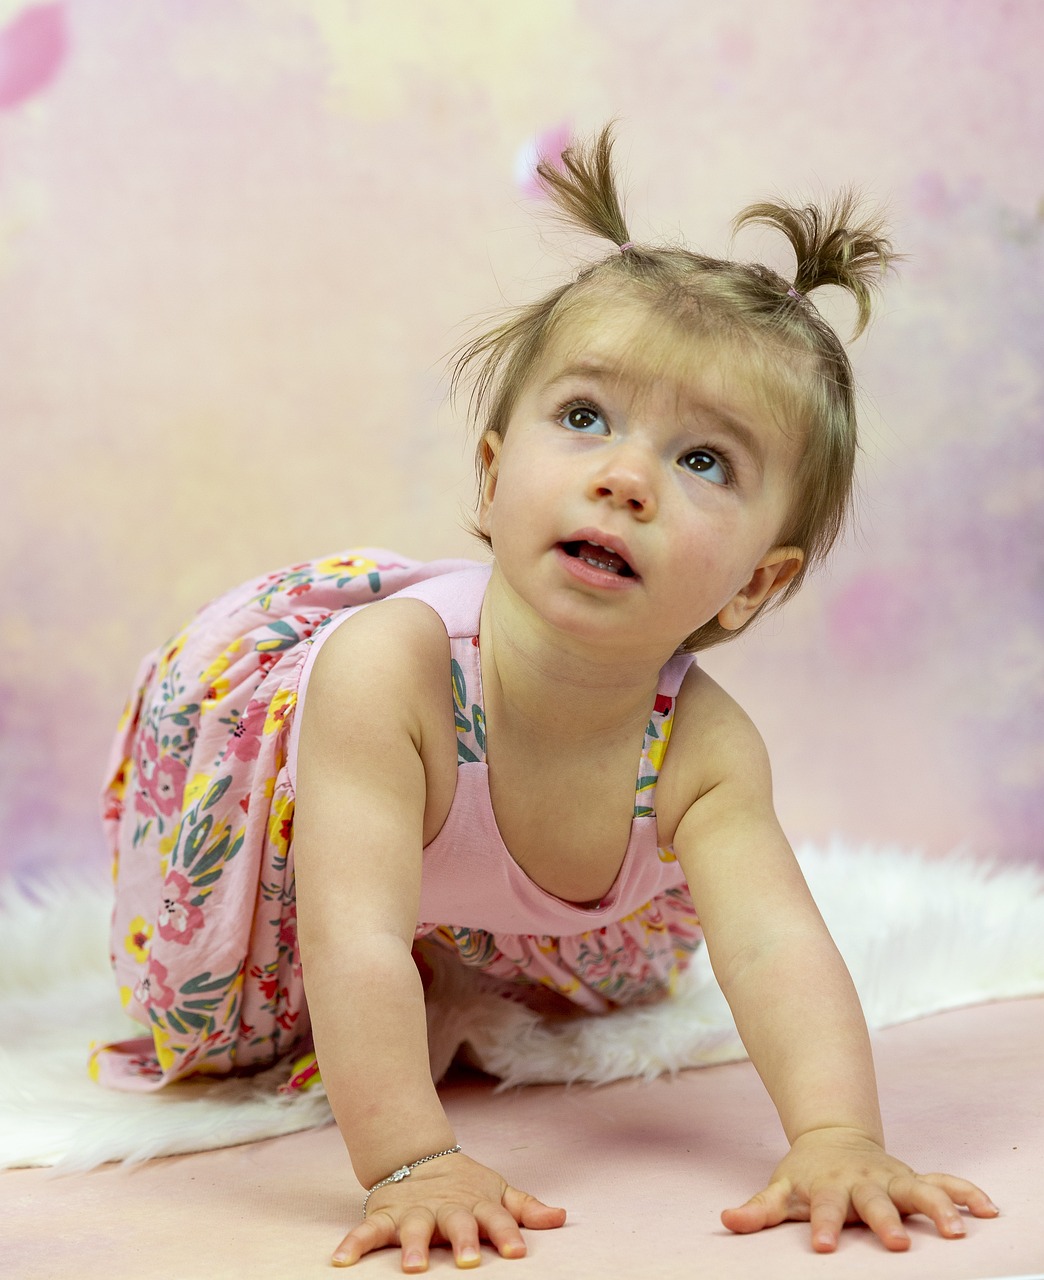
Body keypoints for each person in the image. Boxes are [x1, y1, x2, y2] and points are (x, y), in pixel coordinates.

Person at [94, 126, 998, 1270]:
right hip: (286, 822)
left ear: (758, 581)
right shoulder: (396, 672)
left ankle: (463, 952)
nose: (624, 478)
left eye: (705, 461)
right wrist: (413, 1157)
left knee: (570, 994)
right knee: (281, 1015)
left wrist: (838, 1135)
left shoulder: (702, 748)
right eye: (584, 418)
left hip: (487, 851)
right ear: (490, 470)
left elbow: (773, 946)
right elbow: (354, 934)